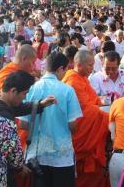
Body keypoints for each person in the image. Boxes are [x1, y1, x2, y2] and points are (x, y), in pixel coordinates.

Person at [19, 52, 82, 187]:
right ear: (60, 69)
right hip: (61, 155)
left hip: (37, 155)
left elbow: (23, 124)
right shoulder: (67, 90)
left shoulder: (31, 89)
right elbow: (72, 126)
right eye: (65, 70)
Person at [0, 70, 56, 187]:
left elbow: (19, 108)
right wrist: (19, 167)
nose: (24, 98)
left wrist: (40, 104)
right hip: (1, 172)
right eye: (24, 94)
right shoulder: (4, 117)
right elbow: (10, 148)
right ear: (13, 91)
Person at [62, 50, 109, 187]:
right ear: (79, 64)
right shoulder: (72, 81)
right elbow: (83, 109)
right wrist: (107, 116)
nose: (92, 69)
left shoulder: (82, 79)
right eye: (89, 65)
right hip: (80, 132)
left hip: (90, 128)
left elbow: (92, 100)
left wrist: (101, 104)